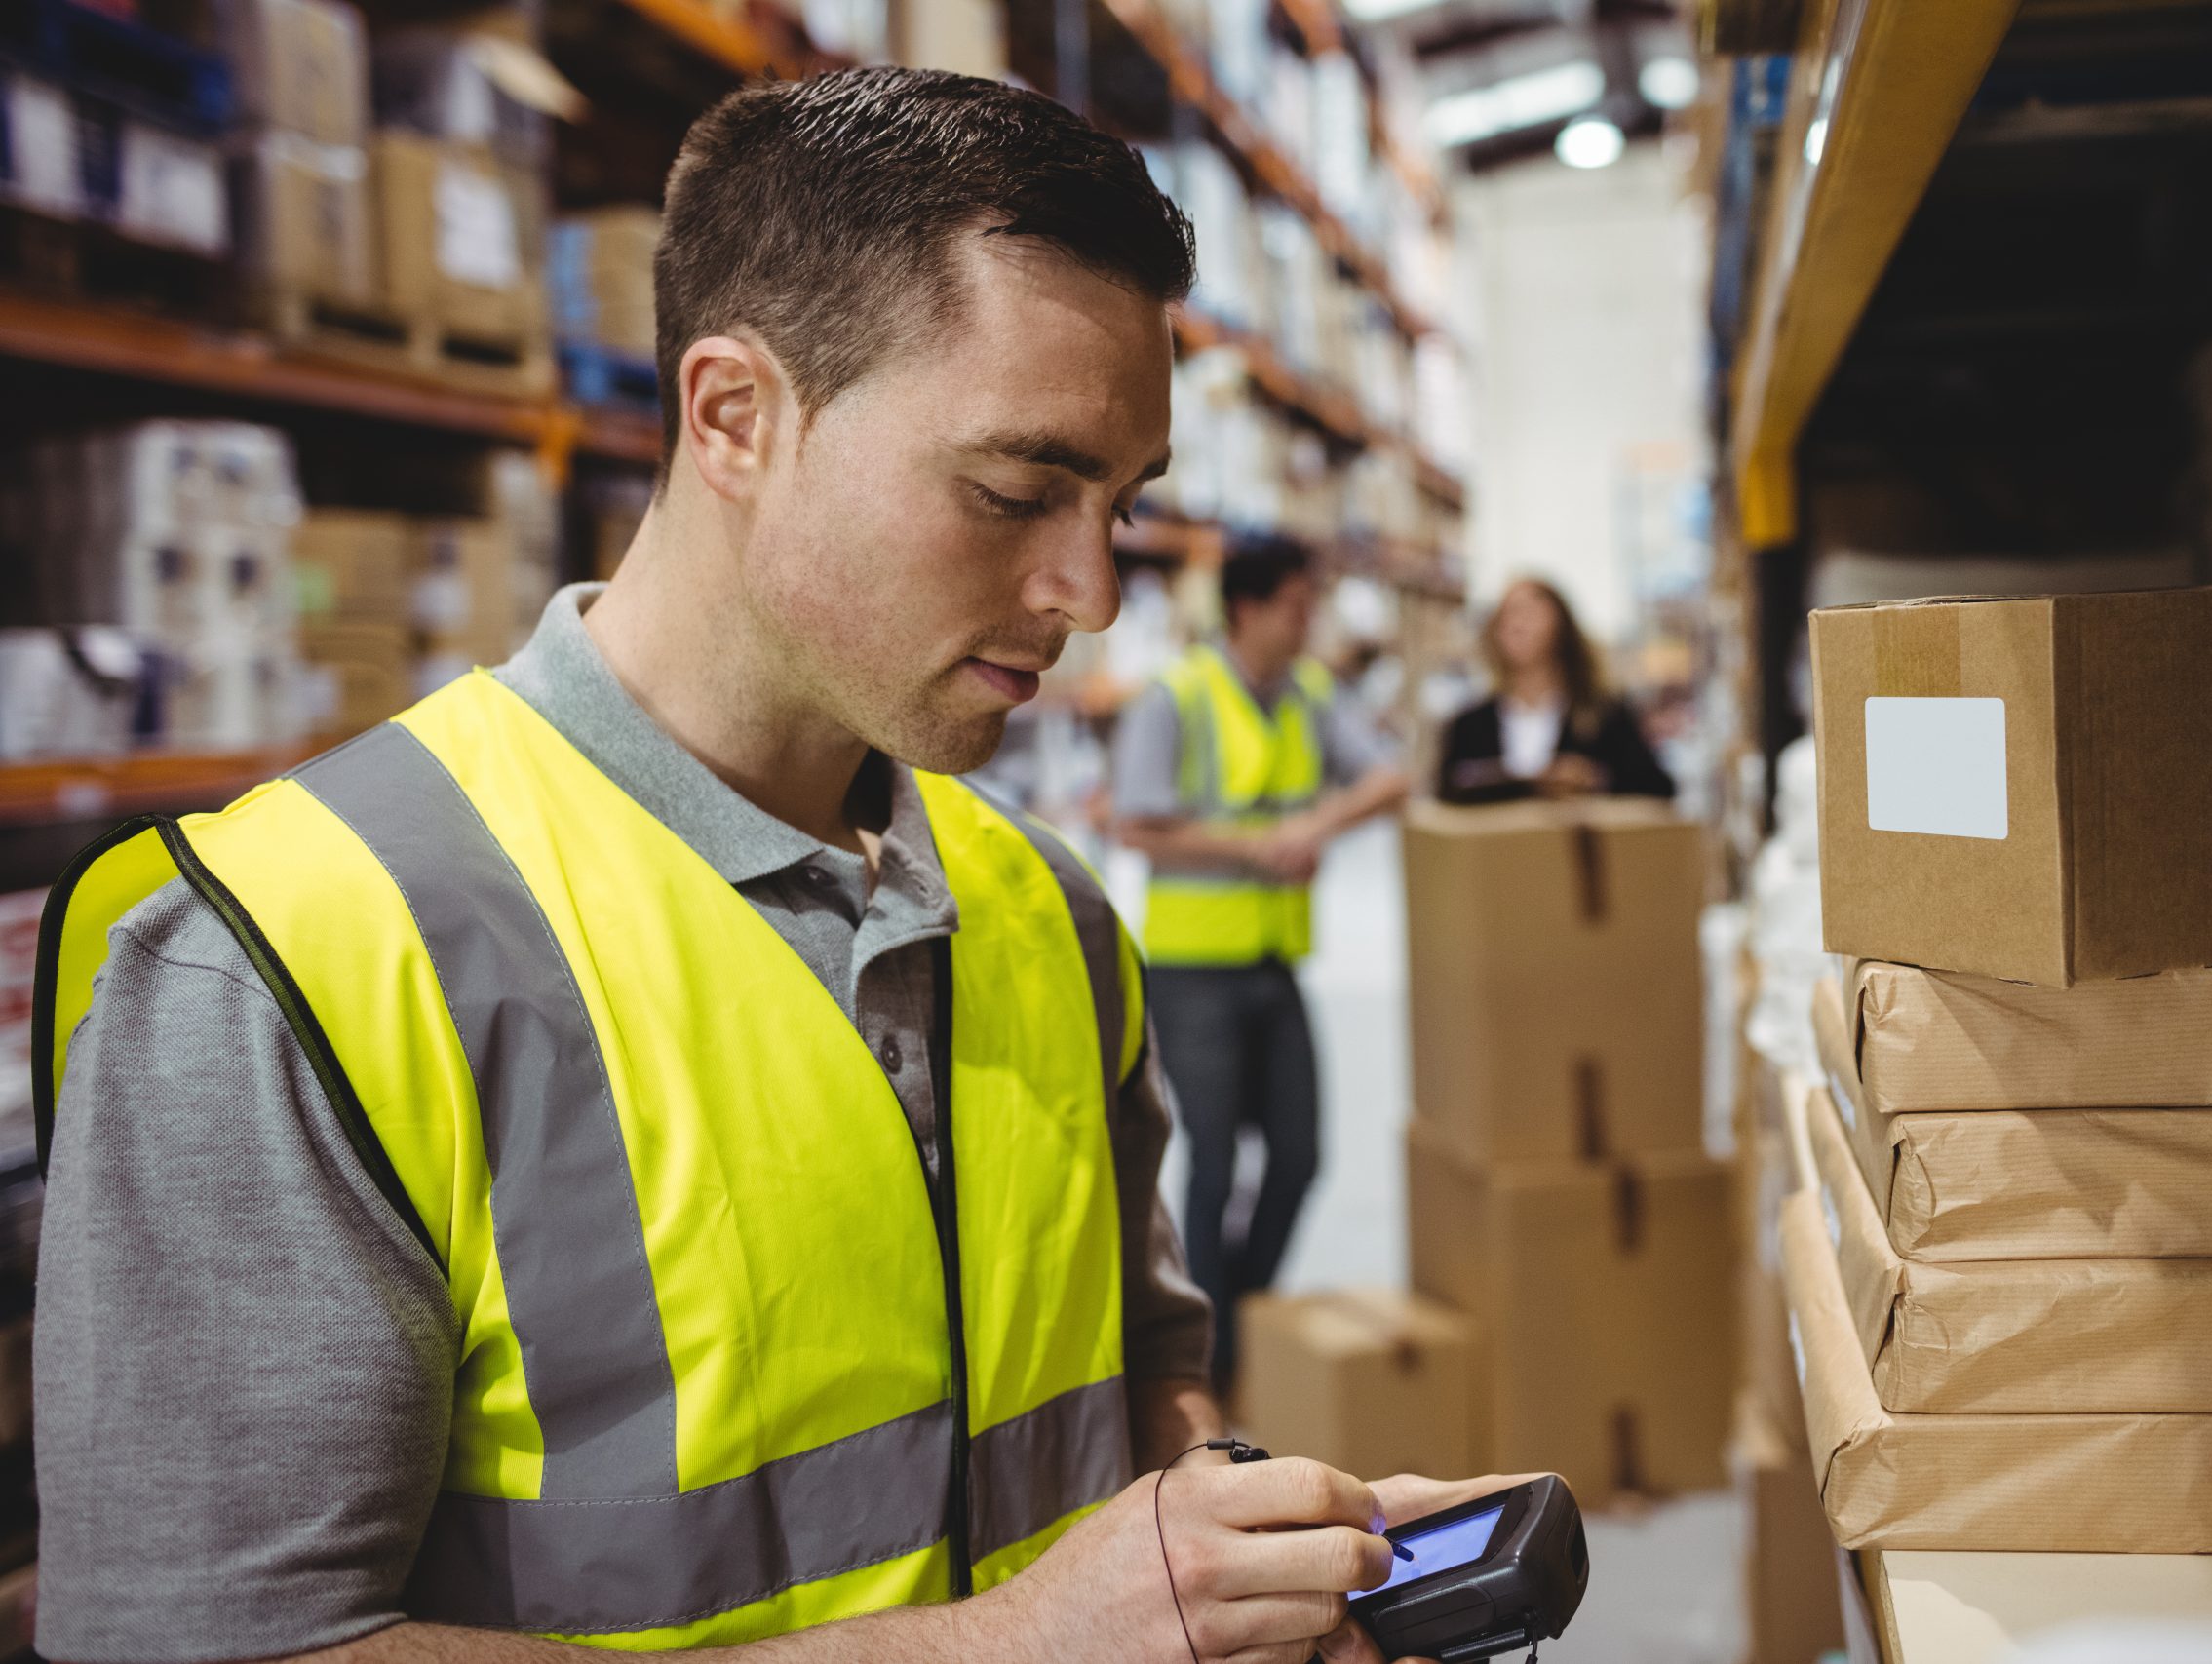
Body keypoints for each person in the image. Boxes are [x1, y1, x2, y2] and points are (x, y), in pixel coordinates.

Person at [31, 69, 1508, 1664]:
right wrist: (1011, 1645)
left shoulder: (1047, 913)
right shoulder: (295, 959)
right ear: (735, 415)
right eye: (1016, 491)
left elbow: (1137, 1379)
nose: (1091, 593)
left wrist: (1231, 1567)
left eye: (1123, 509)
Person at [1109, 538, 1409, 1389]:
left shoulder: (1308, 694)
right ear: (1246, 607)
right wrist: (1255, 847)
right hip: (1192, 967)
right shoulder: (1177, 697)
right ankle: (1212, 1359)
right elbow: (1135, 823)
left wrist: (1315, 828)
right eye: (1295, 604)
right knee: (1212, 1163)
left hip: (1276, 964)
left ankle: (1237, 1319)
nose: (1308, 619)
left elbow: (1389, 778)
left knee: (1300, 1154)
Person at [1436, 577, 1677, 805]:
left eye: (1529, 612)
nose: (1517, 623)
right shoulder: (1469, 725)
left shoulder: (1604, 717)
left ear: (1561, 626)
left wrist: (1594, 780)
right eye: (1507, 614)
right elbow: (1444, 794)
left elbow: (1659, 789)